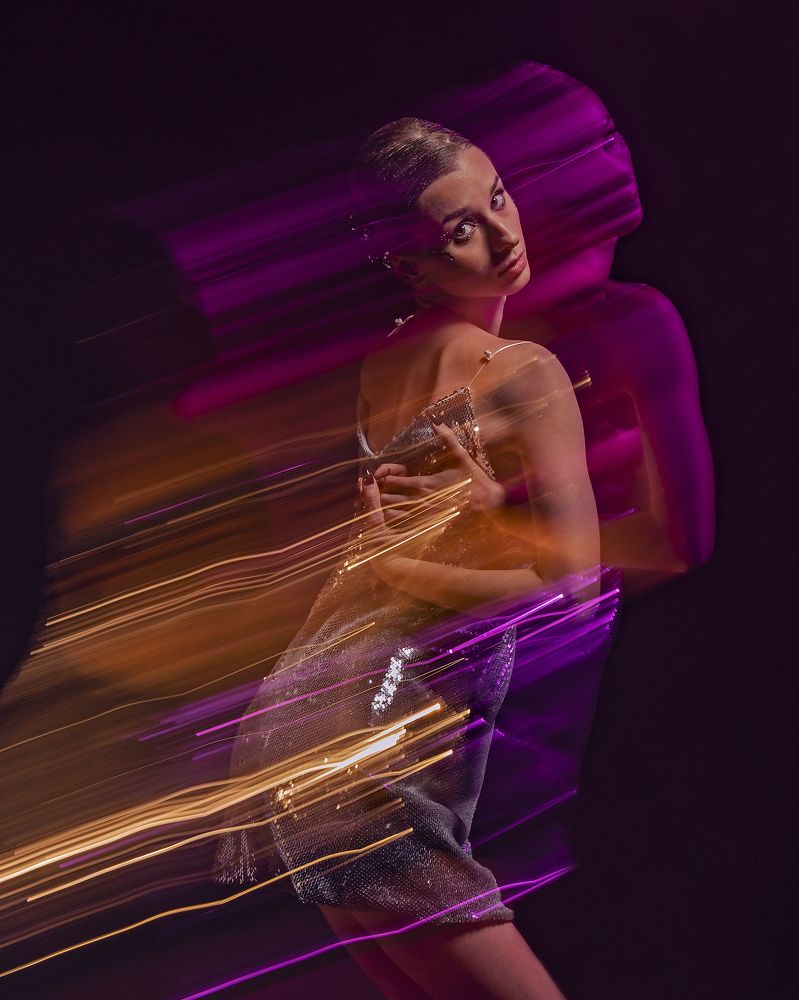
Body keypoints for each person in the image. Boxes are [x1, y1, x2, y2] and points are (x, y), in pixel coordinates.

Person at [215, 117, 614, 999]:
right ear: (410, 265)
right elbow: (572, 593)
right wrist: (428, 561)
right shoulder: (524, 370)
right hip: (371, 761)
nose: (504, 235)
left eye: (498, 198)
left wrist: (257, 736)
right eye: (462, 229)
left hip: (310, 737)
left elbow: (373, 557)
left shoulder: (386, 361)